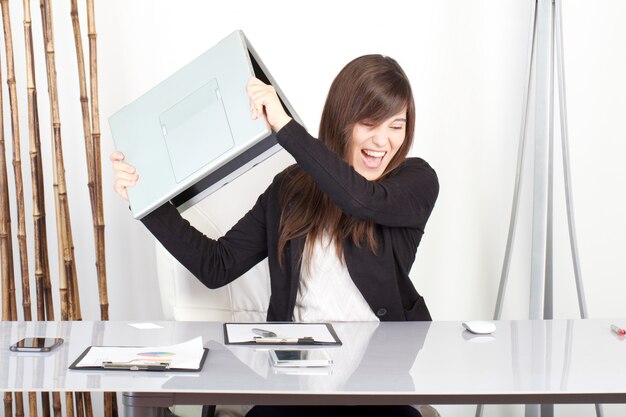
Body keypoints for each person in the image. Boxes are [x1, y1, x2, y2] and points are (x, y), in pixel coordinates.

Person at [111, 54, 439, 417]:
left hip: (380, 385)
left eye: (397, 125)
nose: (383, 141)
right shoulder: (290, 190)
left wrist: (285, 128)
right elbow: (215, 266)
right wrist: (147, 201)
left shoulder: (414, 182)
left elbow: (361, 199)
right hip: (294, 384)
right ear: (342, 120)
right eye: (369, 123)